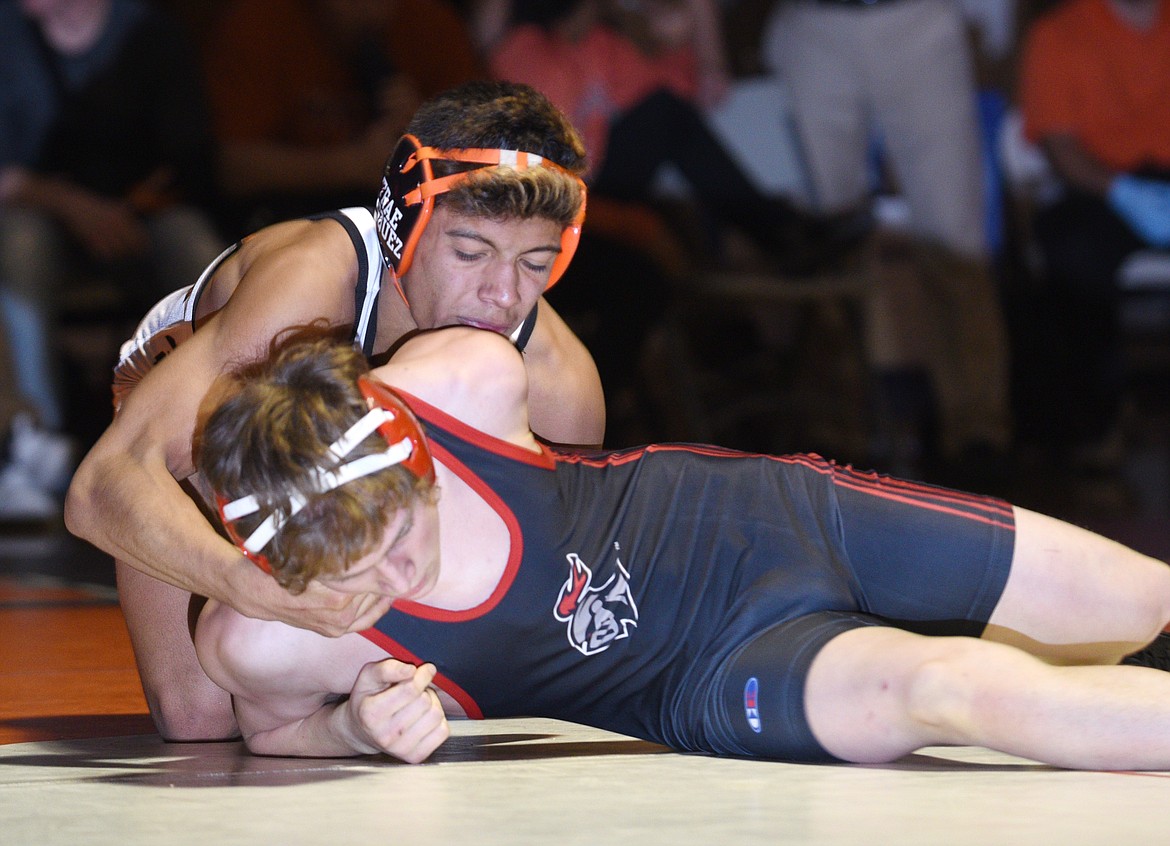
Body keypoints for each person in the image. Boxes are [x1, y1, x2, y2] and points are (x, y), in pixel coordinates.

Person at [192, 324, 1170, 768]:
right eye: (356, 582)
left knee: (1142, 601)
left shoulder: (462, 380)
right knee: (953, 690)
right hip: (709, 675)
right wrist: (352, 731)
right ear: (284, 571)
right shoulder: (260, 640)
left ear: (409, 457)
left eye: (404, 532)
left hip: (769, 518)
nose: (397, 577)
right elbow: (269, 730)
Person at [64, 81, 605, 743]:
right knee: (199, 718)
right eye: (469, 253)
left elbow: (548, 598)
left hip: (376, 465)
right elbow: (100, 488)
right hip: (215, 436)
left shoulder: (559, 381)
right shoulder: (311, 284)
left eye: (536, 263)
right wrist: (244, 585)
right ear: (401, 227)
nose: (501, 294)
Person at [761, 0, 1014, 475]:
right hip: (812, 25)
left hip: (915, 19)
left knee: (953, 236)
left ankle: (977, 432)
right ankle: (838, 433)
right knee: (823, 240)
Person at [0, 0, 224, 437]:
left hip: (142, 214)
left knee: (197, 249)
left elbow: (191, 154)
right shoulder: (8, 33)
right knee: (20, 244)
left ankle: (224, 418)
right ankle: (33, 438)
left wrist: (126, 210)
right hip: (39, 214)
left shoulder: (150, 33)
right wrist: (67, 204)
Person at [1016, 0, 1170, 470]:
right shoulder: (1059, 33)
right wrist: (1122, 191)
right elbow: (1059, 145)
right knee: (1071, 256)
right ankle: (1093, 428)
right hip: (1101, 188)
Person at [203, 0, 486, 238]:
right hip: (280, 217)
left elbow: (485, 146)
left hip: (407, 218)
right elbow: (232, 167)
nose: (369, 10)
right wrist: (355, 165)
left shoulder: (428, 23)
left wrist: (426, 131)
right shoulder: (262, 22)